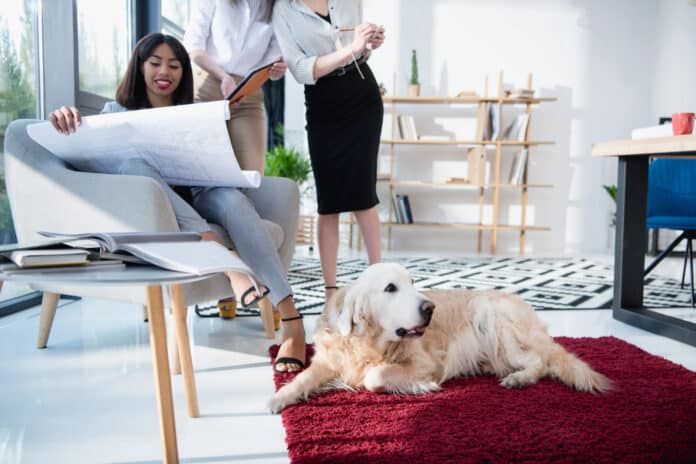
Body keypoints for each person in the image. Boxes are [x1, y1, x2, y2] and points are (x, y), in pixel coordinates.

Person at [49, 33, 306, 373]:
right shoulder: (115, 112)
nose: (164, 71)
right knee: (133, 167)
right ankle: (225, 260)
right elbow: (82, 150)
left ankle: (292, 320)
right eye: (155, 63)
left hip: (201, 194)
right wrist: (63, 117)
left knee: (231, 200)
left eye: (174, 64)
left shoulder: (193, 112)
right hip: (157, 210)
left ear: (184, 72)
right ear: (139, 68)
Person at [272, 0, 385, 302]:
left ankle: (381, 279)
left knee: (364, 195)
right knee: (329, 201)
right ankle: (330, 290)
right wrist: (351, 49)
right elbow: (300, 70)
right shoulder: (283, 11)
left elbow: (362, 49)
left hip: (362, 95)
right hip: (323, 102)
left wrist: (369, 42)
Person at [184, 0, 287, 173]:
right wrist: (223, 76)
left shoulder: (277, 7)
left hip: (248, 93)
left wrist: (276, 70)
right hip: (206, 87)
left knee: (252, 174)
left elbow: (273, 58)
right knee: (204, 170)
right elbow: (194, 47)